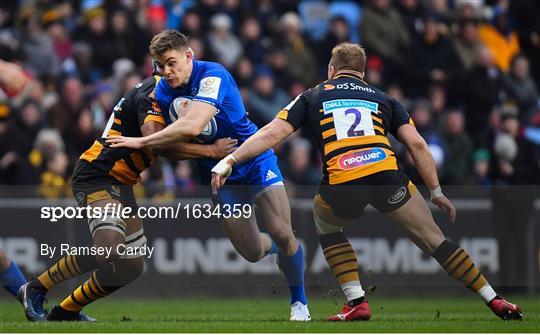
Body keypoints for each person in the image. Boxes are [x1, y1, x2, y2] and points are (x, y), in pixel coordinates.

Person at [210, 43, 523, 322]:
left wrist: (230, 160)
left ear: (331, 70)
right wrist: (436, 191)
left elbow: (270, 134)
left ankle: (356, 301)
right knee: (435, 241)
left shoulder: (313, 95)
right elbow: (418, 146)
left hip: (343, 181)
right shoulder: (385, 99)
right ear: (362, 73)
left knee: (325, 225)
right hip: (387, 176)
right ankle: (493, 299)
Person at [106, 30, 311, 321]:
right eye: (160, 65)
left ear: (189, 56)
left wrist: (140, 142)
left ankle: (299, 305)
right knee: (252, 251)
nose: (166, 71)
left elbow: (191, 126)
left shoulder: (213, 74)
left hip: (252, 157)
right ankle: (281, 250)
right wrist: (207, 152)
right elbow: (169, 147)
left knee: (282, 229)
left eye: (171, 63)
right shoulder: (163, 91)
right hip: (217, 175)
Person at [18, 75, 237, 322]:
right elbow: (157, 144)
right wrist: (210, 150)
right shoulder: (151, 93)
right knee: (108, 248)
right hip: (98, 173)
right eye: (166, 63)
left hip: (123, 182)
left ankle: (67, 310)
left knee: (131, 266)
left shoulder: (176, 93)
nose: (172, 70)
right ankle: (36, 287)